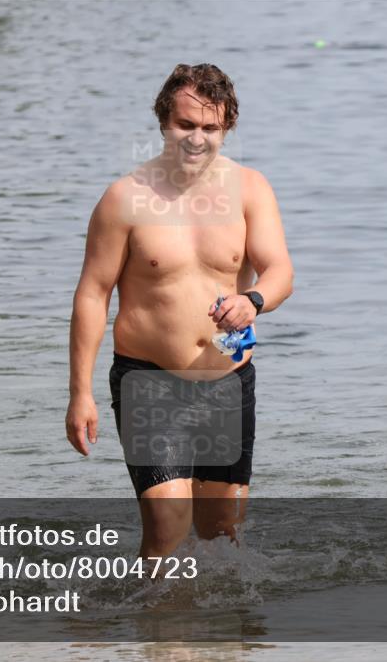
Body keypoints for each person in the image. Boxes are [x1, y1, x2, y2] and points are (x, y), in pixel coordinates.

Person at [66, 63, 294, 558]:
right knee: (168, 523)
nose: (196, 139)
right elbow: (92, 294)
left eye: (210, 128)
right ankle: (162, 632)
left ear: (227, 126)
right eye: (184, 125)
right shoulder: (125, 199)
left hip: (228, 380)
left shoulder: (251, 190)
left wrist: (252, 301)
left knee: (221, 535)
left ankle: (220, 633)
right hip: (149, 381)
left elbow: (279, 272)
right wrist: (79, 394)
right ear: (163, 122)